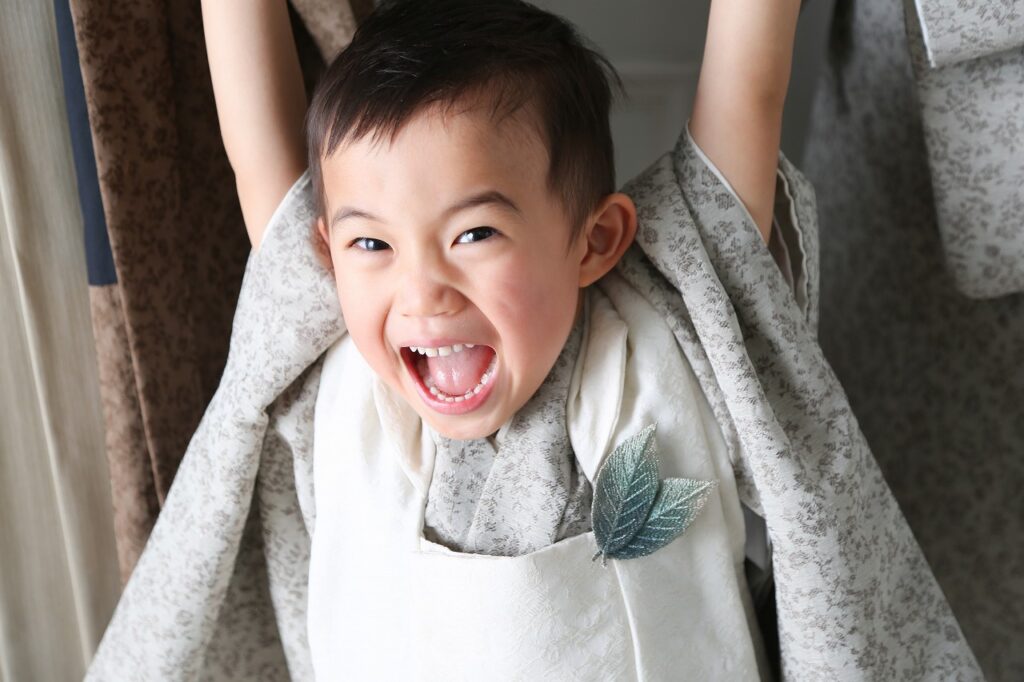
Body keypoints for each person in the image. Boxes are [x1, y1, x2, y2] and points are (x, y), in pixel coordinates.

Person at [84, 1, 980, 679]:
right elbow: (252, 141)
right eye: (372, 244)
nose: (421, 289)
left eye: (474, 233)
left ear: (596, 239)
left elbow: (750, 85)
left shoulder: (674, 324)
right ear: (324, 253)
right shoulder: (332, 362)